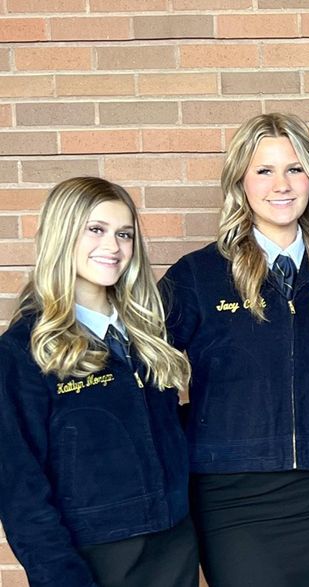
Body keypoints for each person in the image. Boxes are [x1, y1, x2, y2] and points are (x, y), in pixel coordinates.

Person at [160, 113, 309, 587]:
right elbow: (145, 361)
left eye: (294, 169)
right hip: (229, 491)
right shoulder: (199, 275)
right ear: (241, 181)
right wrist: (195, 426)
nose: (282, 185)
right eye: (264, 170)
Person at [0, 177, 197, 587]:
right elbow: (20, 488)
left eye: (124, 234)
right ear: (62, 234)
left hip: (172, 545)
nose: (113, 247)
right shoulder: (23, 352)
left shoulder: (145, 335)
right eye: (96, 230)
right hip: (94, 557)